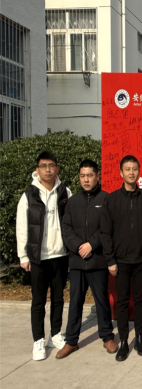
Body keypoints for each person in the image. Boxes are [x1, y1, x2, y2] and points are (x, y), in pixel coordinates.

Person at [56, 160, 117, 359]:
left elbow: (108, 228)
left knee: (102, 300)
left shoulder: (106, 199)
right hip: (77, 262)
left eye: (90, 175)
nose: (86, 179)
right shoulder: (72, 202)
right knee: (75, 301)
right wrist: (78, 246)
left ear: (97, 176)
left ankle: (107, 337)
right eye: (82, 176)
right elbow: (66, 228)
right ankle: (71, 341)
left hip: (97, 260)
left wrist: (91, 244)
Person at [16, 151, 71, 361]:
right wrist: (23, 256)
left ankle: (55, 334)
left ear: (57, 168)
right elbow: (22, 227)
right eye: (43, 166)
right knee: (38, 301)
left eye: (51, 166)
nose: (48, 170)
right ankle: (38, 340)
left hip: (60, 254)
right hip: (38, 257)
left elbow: (71, 222)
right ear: (37, 170)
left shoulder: (65, 192)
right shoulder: (28, 195)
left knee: (58, 298)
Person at [101, 155, 142, 362]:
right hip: (120, 262)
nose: (131, 173)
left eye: (134, 169)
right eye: (127, 169)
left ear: (139, 171)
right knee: (122, 302)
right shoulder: (112, 199)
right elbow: (105, 232)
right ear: (121, 173)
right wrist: (110, 260)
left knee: (140, 300)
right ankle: (123, 341)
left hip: (141, 260)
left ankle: (139, 338)